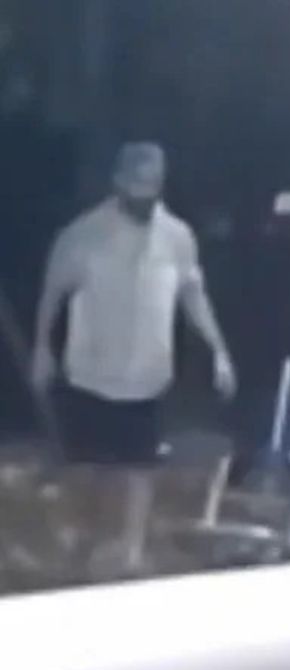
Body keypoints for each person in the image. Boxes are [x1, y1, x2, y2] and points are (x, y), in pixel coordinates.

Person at [31, 142, 237, 577]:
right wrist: (42, 350)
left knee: (139, 466)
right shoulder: (83, 235)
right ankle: (82, 545)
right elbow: (53, 294)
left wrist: (219, 351)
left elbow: (193, 295)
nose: (145, 195)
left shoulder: (177, 237)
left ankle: (130, 549)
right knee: (88, 466)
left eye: (154, 186)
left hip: (147, 371)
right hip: (91, 370)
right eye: (138, 185)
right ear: (119, 182)